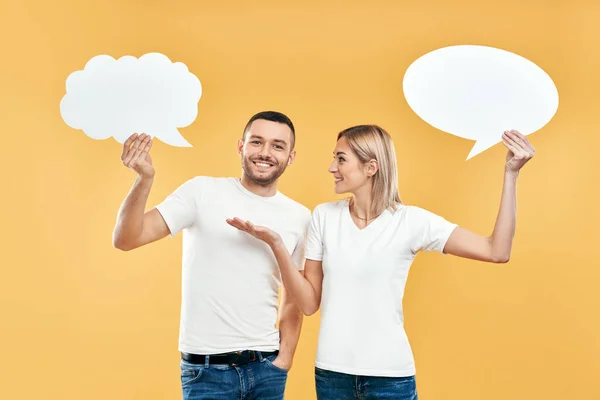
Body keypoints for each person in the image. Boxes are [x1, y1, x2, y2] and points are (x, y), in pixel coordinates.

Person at [227, 125, 535, 400]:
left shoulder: (411, 222)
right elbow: (308, 303)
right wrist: (278, 246)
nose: (332, 167)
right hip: (332, 378)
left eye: (341, 159)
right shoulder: (324, 216)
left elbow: (496, 250)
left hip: (391, 380)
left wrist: (511, 174)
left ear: (371, 167)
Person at [112, 111, 311, 400]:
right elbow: (126, 238)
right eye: (256, 142)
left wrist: (285, 360)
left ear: (290, 157)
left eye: (277, 146)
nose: (265, 153)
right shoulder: (201, 191)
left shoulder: (300, 217)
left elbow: (294, 297)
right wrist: (145, 179)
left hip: (267, 368)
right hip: (206, 372)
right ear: (241, 146)